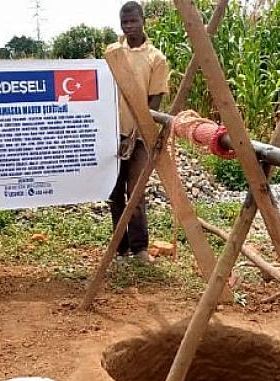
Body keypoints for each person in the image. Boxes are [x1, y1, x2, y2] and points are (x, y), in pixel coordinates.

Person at [106, 1, 170, 263]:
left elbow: (154, 101)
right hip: (112, 133)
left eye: (133, 21)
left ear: (143, 20)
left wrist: (138, 132)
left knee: (136, 191)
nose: (129, 26)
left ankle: (140, 249)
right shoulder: (112, 53)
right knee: (114, 192)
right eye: (124, 22)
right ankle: (119, 249)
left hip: (140, 136)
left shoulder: (156, 58)